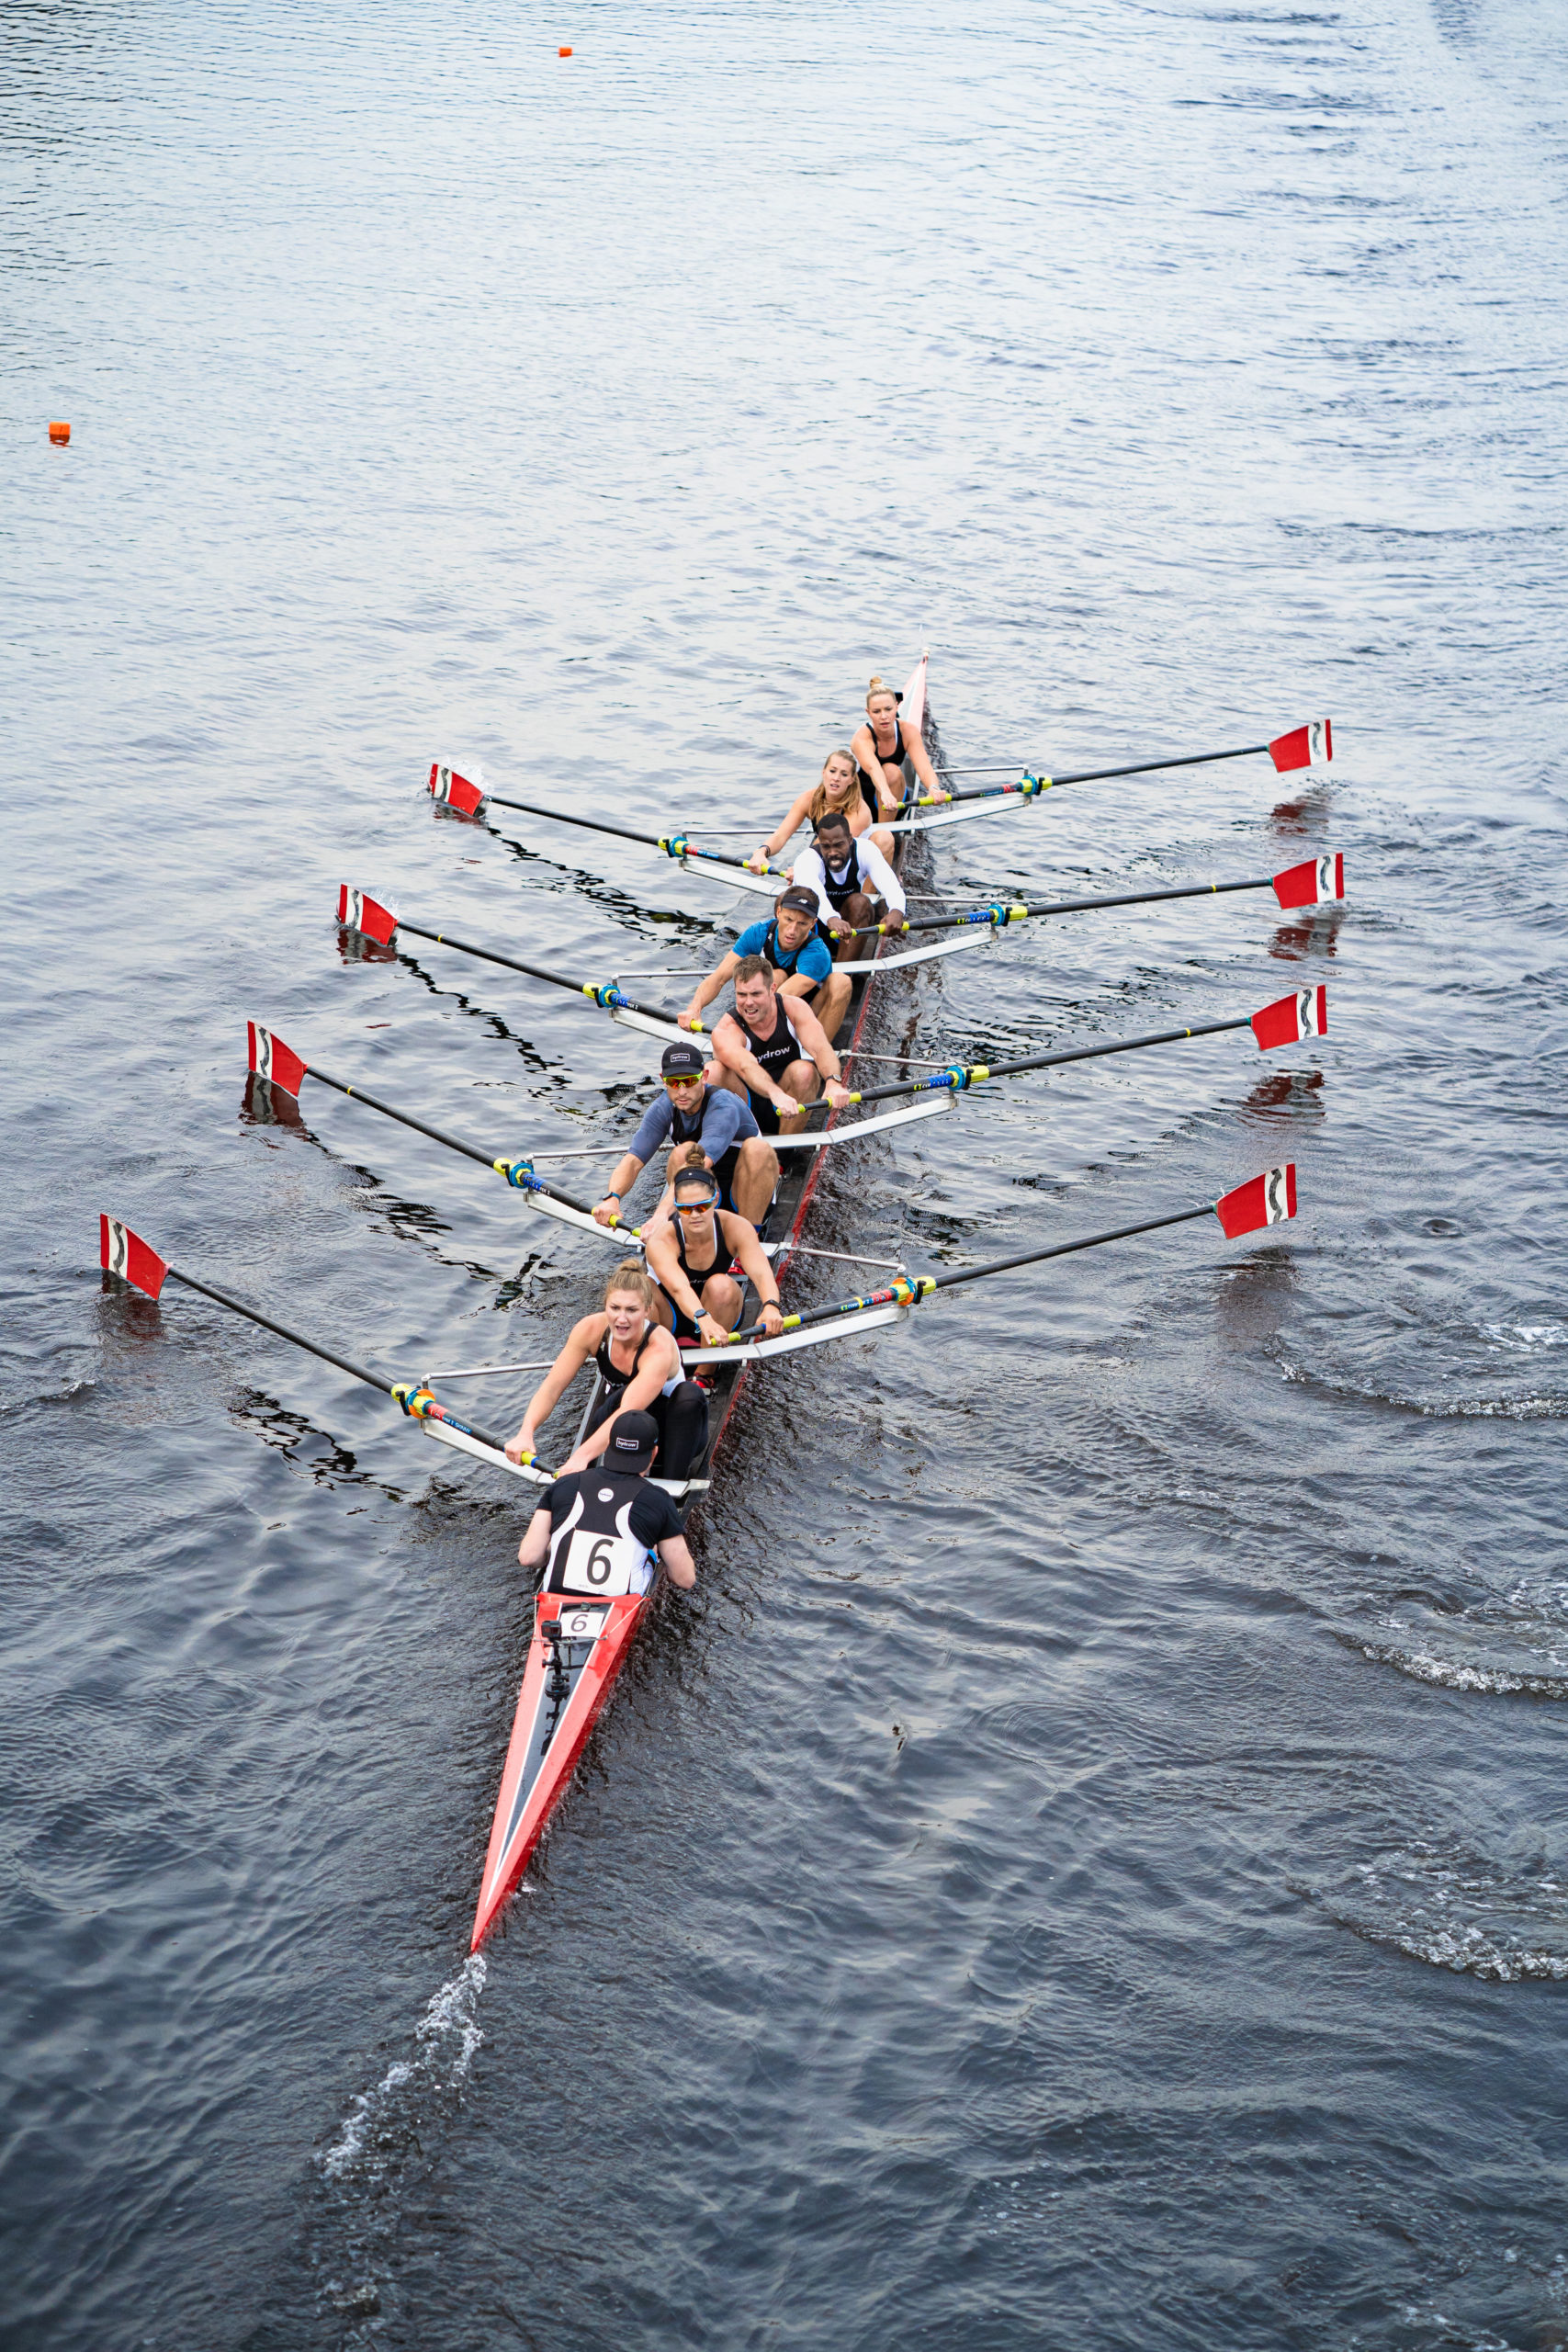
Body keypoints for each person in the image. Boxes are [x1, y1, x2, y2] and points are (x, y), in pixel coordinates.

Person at [504, 1261, 710, 1481]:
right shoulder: (590, 1329)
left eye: (632, 1310)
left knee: (690, 1394)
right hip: (627, 1425)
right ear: (605, 1306)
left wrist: (580, 1456)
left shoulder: (658, 1347)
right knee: (615, 1400)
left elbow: (629, 1409)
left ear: (647, 1311)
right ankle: (585, 1478)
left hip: (674, 1431)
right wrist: (526, 1432)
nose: (622, 1319)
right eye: (615, 1308)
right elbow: (552, 1387)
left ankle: (672, 1490)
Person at [592, 1039, 779, 1229]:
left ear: (704, 1077)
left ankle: (749, 1236)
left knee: (756, 1149)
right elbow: (633, 1161)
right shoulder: (662, 1108)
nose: (682, 1091)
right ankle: (690, 1230)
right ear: (663, 1080)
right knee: (683, 1152)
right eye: (674, 1082)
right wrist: (612, 1198)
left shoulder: (723, 1106)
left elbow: (697, 1165)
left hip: (745, 1193)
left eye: (689, 1081)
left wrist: (660, 1215)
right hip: (705, 1196)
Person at [514, 1408, 696, 1597]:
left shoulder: (564, 1484)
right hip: (621, 1606)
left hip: (555, 1597)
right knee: (652, 1549)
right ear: (654, 1453)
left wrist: (555, 1553)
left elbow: (529, 1557)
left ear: (608, 1445)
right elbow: (684, 1579)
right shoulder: (658, 1499)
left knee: (553, 1544)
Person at [644, 1148, 786, 1350]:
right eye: (685, 1208)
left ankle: (704, 1375)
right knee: (640, 1288)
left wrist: (771, 1305)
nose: (694, 1215)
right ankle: (655, 1360)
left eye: (702, 1206)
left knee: (721, 1285)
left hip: (721, 1310)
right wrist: (703, 1318)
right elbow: (679, 1288)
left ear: (716, 1199)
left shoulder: (736, 1227)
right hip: (672, 1314)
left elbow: (762, 1273)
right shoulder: (662, 1240)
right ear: (676, 1207)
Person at [678, 884, 852, 1045]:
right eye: (788, 919)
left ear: (813, 924)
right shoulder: (758, 932)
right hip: (766, 1009)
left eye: (801, 924)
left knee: (841, 981)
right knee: (776, 975)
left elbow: (778, 997)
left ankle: (815, 1053)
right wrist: (694, 1008)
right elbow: (719, 978)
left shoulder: (817, 952)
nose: (792, 930)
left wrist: (730, 1026)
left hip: (808, 1014)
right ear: (778, 912)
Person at [708, 954, 852, 1138]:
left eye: (756, 994)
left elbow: (820, 1048)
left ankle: (783, 1156)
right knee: (712, 1072)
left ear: (771, 989)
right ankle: (736, 1143)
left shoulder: (793, 1008)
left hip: (792, 1104)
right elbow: (746, 1067)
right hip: (746, 1106)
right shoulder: (726, 1029)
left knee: (805, 1071)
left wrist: (833, 1081)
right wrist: (774, 1093)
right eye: (741, 995)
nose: (748, 1003)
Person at [745, 748, 897, 879]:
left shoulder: (858, 809)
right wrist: (761, 852)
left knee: (884, 837)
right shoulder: (808, 799)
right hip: (829, 859)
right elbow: (780, 835)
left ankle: (869, 901)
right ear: (824, 772)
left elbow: (832, 845)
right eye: (832, 771)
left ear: (851, 780)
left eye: (844, 774)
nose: (836, 778)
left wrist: (801, 867)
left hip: (854, 863)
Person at [792, 807, 908, 965]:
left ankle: (843, 973)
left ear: (850, 840)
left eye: (839, 845)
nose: (832, 852)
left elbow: (890, 884)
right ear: (819, 841)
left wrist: (897, 911)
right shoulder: (807, 860)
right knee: (786, 900)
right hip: (815, 926)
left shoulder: (865, 850)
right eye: (826, 846)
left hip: (850, 930)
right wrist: (832, 918)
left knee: (860, 902)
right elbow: (815, 895)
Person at [851, 673, 947, 814]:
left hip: (896, 802)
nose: (884, 716)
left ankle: (888, 831)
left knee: (892, 771)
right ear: (868, 713)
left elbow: (924, 767)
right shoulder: (861, 738)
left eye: (888, 709)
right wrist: (885, 792)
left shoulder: (908, 731)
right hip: (865, 802)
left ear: (897, 706)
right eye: (877, 711)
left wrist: (933, 788)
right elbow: (873, 768)